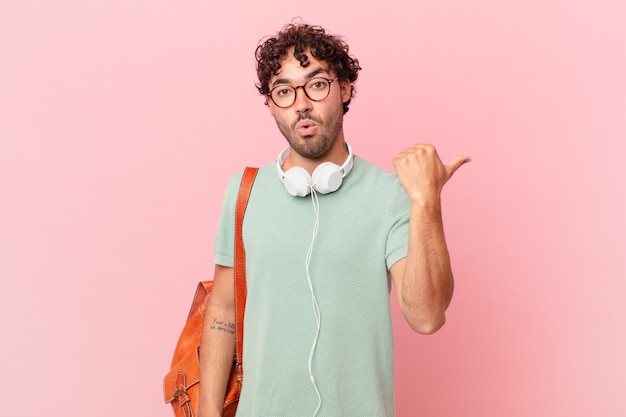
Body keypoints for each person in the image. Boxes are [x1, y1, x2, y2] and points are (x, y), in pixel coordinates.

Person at [198, 22, 470, 417]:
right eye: (284, 91)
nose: (302, 103)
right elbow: (222, 311)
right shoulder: (244, 191)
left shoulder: (391, 194)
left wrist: (426, 202)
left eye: (317, 85)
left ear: (344, 88)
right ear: (271, 104)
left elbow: (426, 316)